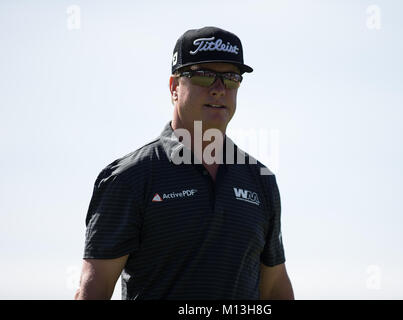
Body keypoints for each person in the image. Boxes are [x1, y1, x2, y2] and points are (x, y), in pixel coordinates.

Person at [75, 26, 294, 300]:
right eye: (203, 76)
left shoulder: (260, 180)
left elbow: (274, 287)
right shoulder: (130, 177)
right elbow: (94, 290)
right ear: (174, 87)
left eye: (231, 78)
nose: (219, 89)